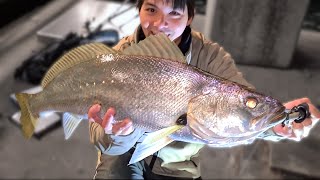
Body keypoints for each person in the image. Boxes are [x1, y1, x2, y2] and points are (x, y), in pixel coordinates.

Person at [88, 0, 320, 179]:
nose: (160, 23)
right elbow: (99, 137)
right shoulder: (118, 57)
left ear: (190, 17)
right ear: (139, 10)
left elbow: (237, 106)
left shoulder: (210, 57)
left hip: (175, 165)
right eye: (151, 10)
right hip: (120, 154)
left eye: (175, 13)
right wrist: (116, 135)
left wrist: (276, 127)